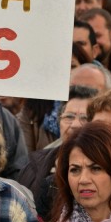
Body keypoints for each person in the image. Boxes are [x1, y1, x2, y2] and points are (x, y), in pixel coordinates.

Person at [18, 86, 99, 214]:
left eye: (85, 118)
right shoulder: (33, 164)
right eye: (69, 117)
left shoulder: (107, 167)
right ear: (59, 121)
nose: (75, 125)